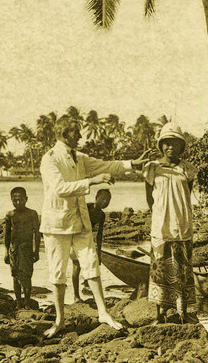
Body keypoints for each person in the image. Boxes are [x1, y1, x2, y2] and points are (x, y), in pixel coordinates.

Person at [39, 116, 144, 338]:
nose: (80, 136)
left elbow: (107, 165)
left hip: (79, 220)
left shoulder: (80, 157)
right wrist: (93, 181)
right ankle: (59, 320)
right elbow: (60, 188)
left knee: (91, 263)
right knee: (58, 271)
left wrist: (131, 164)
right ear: (65, 134)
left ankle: (103, 313)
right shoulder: (49, 159)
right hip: (56, 223)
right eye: (76, 133)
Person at [143, 122, 199, 324]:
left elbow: (186, 195)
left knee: (182, 270)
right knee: (160, 269)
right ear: (161, 146)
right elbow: (150, 199)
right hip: (161, 226)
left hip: (182, 225)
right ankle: (160, 313)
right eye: (166, 144)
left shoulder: (188, 170)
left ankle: (183, 311)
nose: (170, 148)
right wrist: (160, 214)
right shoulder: (152, 168)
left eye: (174, 144)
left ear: (181, 147)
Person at [3, 186, 40, 308]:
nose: (18, 202)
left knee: (27, 275)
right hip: (14, 249)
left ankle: (27, 302)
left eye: (20, 199)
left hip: (27, 248)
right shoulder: (10, 215)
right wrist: (6, 252)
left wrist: (37, 251)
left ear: (26, 199)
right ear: (11, 200)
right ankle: (18, 302)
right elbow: (7, 235)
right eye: (15, 200)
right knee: (15, 275)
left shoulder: (32, 214)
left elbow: (37, 233)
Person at [72, 188, 110, 302]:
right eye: (102, 199)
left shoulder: (101, 215)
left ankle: (94, 294)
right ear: (96, 197)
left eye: (107, 200)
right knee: (76, 267)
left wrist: (99, 253)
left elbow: (99, 235)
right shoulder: (87, 207)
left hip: (87, 239)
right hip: (76, 236)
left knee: (92, 265)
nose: (104, 202)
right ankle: (76, 296)